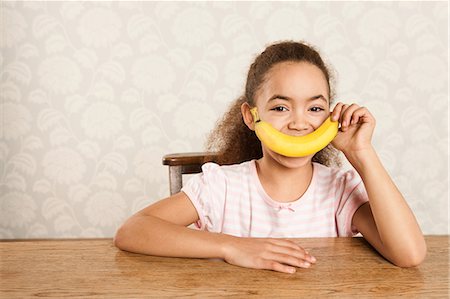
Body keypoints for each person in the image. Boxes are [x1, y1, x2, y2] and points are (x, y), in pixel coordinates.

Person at [114, 41, 426, 273]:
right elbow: (133, 230)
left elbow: (410, 254)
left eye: (315, 108)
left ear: (331, 115)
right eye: (280, 107)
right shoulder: (222, 187)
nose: (299, 123)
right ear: (251, 117)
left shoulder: (339, 190)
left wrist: (362, 154)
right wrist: (232, 246)